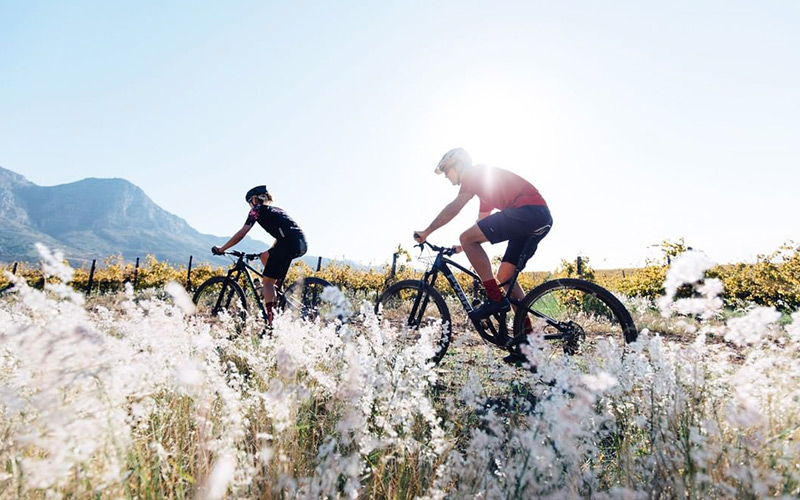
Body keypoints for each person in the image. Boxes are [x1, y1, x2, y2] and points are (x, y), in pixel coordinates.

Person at [414, 148, 552, 322]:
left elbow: (455, 207)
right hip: (538, 217)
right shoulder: (485, 189)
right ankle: (527, 334)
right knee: (504, 277)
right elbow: (481, 224)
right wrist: (462, 247)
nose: (446, 176)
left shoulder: (472, 174)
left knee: (466, 237)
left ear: (458, 165)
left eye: (447, 171)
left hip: (528, 212)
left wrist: (426, 232)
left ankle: (495, 298)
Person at [212, 185, 307, 325]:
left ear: (255, 200)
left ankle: (271, 323)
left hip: (287, 243)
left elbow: (242, 233)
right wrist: (272, 250)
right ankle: (276, 290)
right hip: (300, 243)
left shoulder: (256, 210)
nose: (250, 205)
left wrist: (222, 249)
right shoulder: (277, 210)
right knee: (264, 256)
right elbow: (284, 233)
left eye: (249, 202)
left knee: (267, 282)